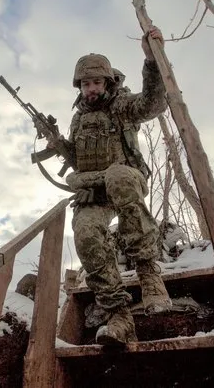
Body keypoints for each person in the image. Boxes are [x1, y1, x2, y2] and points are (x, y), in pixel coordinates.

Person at [60, 26, 172, 345]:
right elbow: (79, 166)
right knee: (84, 232)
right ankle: (119, 316)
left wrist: (152, 61)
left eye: (96, 82)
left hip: (126, 184)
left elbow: (152, 104)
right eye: (85, 83)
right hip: (94, 195)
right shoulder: (79, 119)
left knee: (118, 175)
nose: (90, 88)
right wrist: (77, 180)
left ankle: (149, 274)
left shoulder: (121, 106)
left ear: (107, 82)